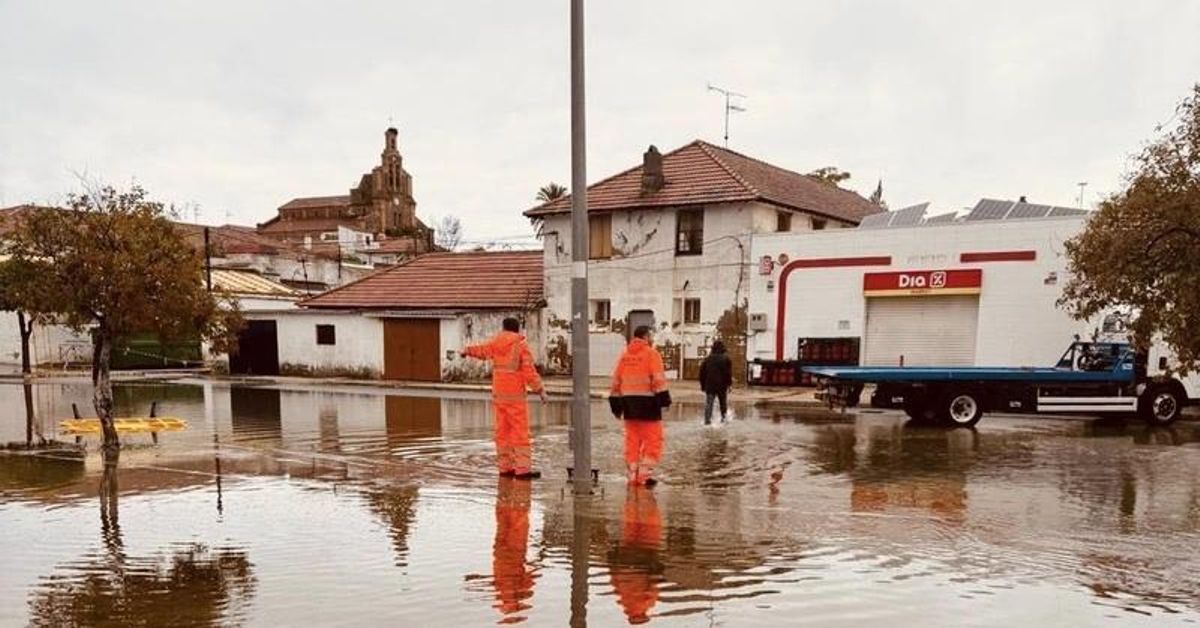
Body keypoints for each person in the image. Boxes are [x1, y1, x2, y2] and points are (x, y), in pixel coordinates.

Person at [461, 317, 548, 479]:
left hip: (499, 396)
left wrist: (466, 350)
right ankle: (522, 470)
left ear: (504, 328)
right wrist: (540, 390)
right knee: (520, 434)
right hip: (515, 397)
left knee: (503, 433)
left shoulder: (495, 343)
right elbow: (529, 372)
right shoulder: (521, 346)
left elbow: (481, 351)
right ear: (517, 330)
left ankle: (505, 468)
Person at [609, 326, 671, 486]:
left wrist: (616, 404)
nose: (652, 338)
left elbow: (616, 382)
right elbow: (658, 380)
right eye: (651, 335)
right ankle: (644, 475)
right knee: (653, 441)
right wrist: (665, 400)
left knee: (632, 442)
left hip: (629, 406)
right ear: (646, 336)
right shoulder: (652, 354)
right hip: (648, 405)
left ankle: (632, 475)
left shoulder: (625, 356)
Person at [698, 340, 733, 424]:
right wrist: (729, 384)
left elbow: (701, 373)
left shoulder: (707, 359)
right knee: (723, 404)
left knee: (709, 404)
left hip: (710, 385)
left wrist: (703, 385)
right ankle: (724, 420)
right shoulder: (726, 359)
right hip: (722, 385)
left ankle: (707, 421)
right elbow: (728, 374)